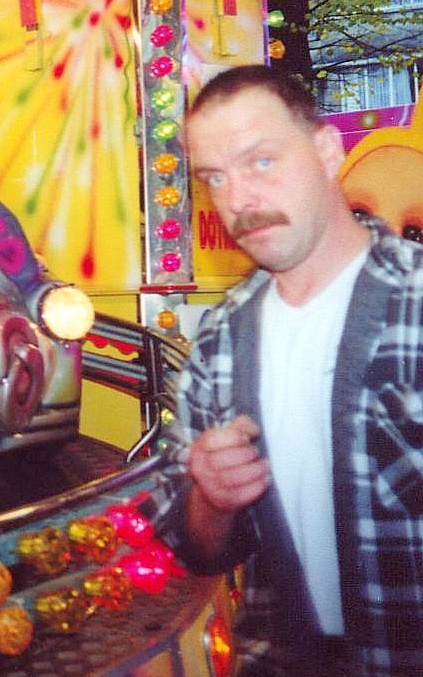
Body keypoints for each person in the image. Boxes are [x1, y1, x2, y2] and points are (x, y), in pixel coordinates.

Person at [144, 64, 423, 677]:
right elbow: (198, 551)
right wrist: (212, 498)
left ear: (327, 151)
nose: (238, 200)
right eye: (215, 177)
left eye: (261, 161)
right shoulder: (220, 339)